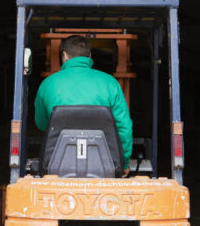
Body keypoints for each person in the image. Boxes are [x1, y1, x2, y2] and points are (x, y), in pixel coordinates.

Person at [33, 35, 132, 176]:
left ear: (64, 56)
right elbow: (124, 128)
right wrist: (124, 163)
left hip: (56, 166)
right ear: (90, 56)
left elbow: (42, 124)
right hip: (105, 167)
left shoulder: (48, 84)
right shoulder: (110, 83)